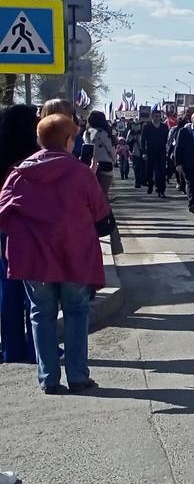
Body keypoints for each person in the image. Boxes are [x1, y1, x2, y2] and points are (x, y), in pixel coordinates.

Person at [0, 113, 110, 396]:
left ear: (39, 140)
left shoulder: (19, 173)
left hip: (33, 258)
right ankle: (78, 376)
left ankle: (48, 378)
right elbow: (100, 213)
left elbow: (2, 215)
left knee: (40, 315)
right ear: (68, 140)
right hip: (74, 254)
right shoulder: (80, 173)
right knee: (76, 312)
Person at [0, 105, 40, 366]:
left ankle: (11, 347)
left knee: (7, 289)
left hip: (3, 230)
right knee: (34, 293)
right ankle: (38, 347)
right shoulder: (33, 158)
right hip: (30, 230)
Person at [82, 111, 118, 198]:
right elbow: (111, 149)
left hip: (90, 164)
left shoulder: (86, 133)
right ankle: (104, 209)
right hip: (105, 164)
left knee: (92, 193)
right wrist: (114, 160)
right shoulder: (104, 133)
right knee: (104, 192)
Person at [139, 108, 170, 196]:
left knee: (162, 172)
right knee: (149, 172)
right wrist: (144, 152)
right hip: (150, 152)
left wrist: (167, 151)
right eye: (156, 116)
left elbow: (167, 140)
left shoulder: (164, 127)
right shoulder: (147, 127)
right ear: (152, 117)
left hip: (161, 152)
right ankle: (150, 183)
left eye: (159, 116)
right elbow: (143, 140)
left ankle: (161, 190)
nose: (158, 118)